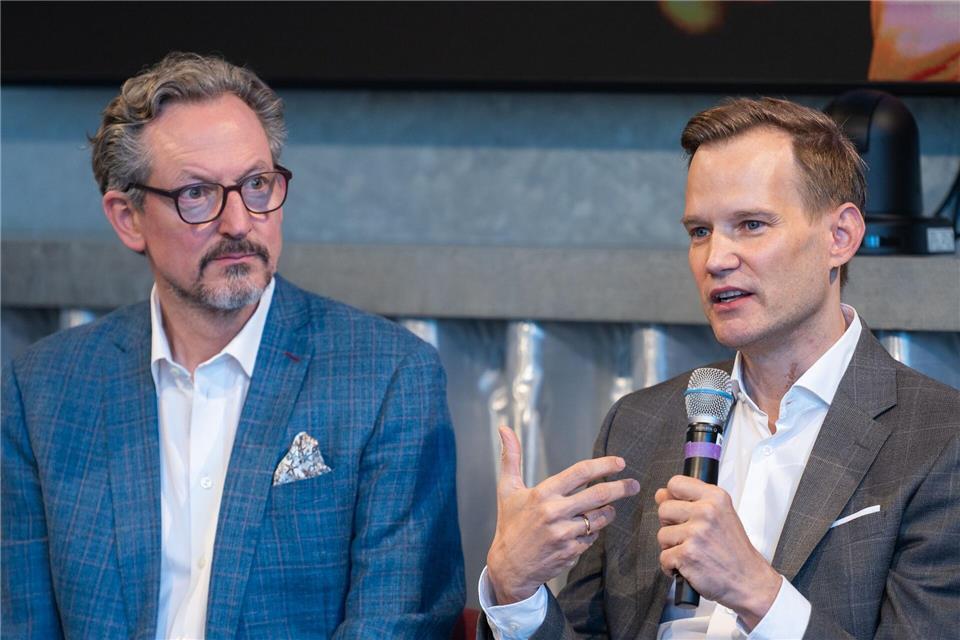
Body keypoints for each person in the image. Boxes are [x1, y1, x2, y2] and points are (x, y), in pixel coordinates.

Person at [1, 52, 464, 639]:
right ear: (128, 218)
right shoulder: (42, 391)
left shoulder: (388, 377)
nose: (240, 222)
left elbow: (398, 624)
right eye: (197, 193)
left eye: (256, 184)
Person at [478, 97, 960, 639]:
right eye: (699, 231)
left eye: (751, 225)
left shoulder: (939, 438)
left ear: (840, 237)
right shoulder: (640, 423)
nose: (715, 259)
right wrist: (514, 590)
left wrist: (756, 591)